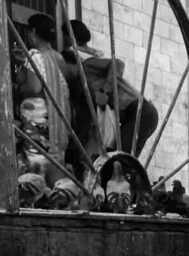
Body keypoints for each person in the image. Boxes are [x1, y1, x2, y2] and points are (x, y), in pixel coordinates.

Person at [69, 20, 160, 156]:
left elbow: (117, 64)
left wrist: (105, 90)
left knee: (120, 158)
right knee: (120, 157)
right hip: (134, 116)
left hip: (140, 112)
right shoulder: (81, 87)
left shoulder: (87, 66)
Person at [16, 14, 71, 186]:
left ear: (33, 32)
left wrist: (15, 86)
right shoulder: (59, 58)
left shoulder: (36, 57)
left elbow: (34, 87)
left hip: (38, 123)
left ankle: (37, 196)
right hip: (56, 123)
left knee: (36, 162)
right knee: (53, 164)